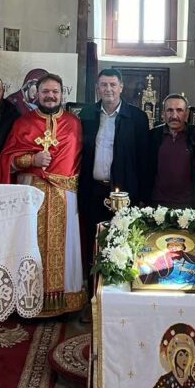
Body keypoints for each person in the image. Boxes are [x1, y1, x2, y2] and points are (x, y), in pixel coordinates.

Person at [0, 73, 85, 316]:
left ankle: (66, 301)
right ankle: (29, 300)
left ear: (62, 94)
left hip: (65, 195)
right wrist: (31, 160)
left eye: (55, 92)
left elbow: (79, 161)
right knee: (29, 244)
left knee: (65, 247)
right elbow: (7, 161)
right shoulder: (23, 123)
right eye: (45, 91)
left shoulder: (73, 124)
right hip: (31, 192)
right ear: (37, 94)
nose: (50, 96)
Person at [79, 68, 149, 276]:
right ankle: (93, 287)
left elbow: (143, 159)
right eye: (104, 85)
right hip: (93, 191)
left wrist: (142, 196)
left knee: (121, 242)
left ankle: (118, 288)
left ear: (121, 87)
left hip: (124, 193)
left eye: (112, 84)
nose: (108, 89)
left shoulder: (137, 117)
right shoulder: (87, 114)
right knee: (93, 240)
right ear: (97, 88)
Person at [143, 94, 195, 210]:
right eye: (169, 110)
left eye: (179, 110)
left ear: (187, 114)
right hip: (157, 204)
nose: (174, 116)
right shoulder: (152, 137)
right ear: (163, 114)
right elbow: (144, 171)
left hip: (190, 206)